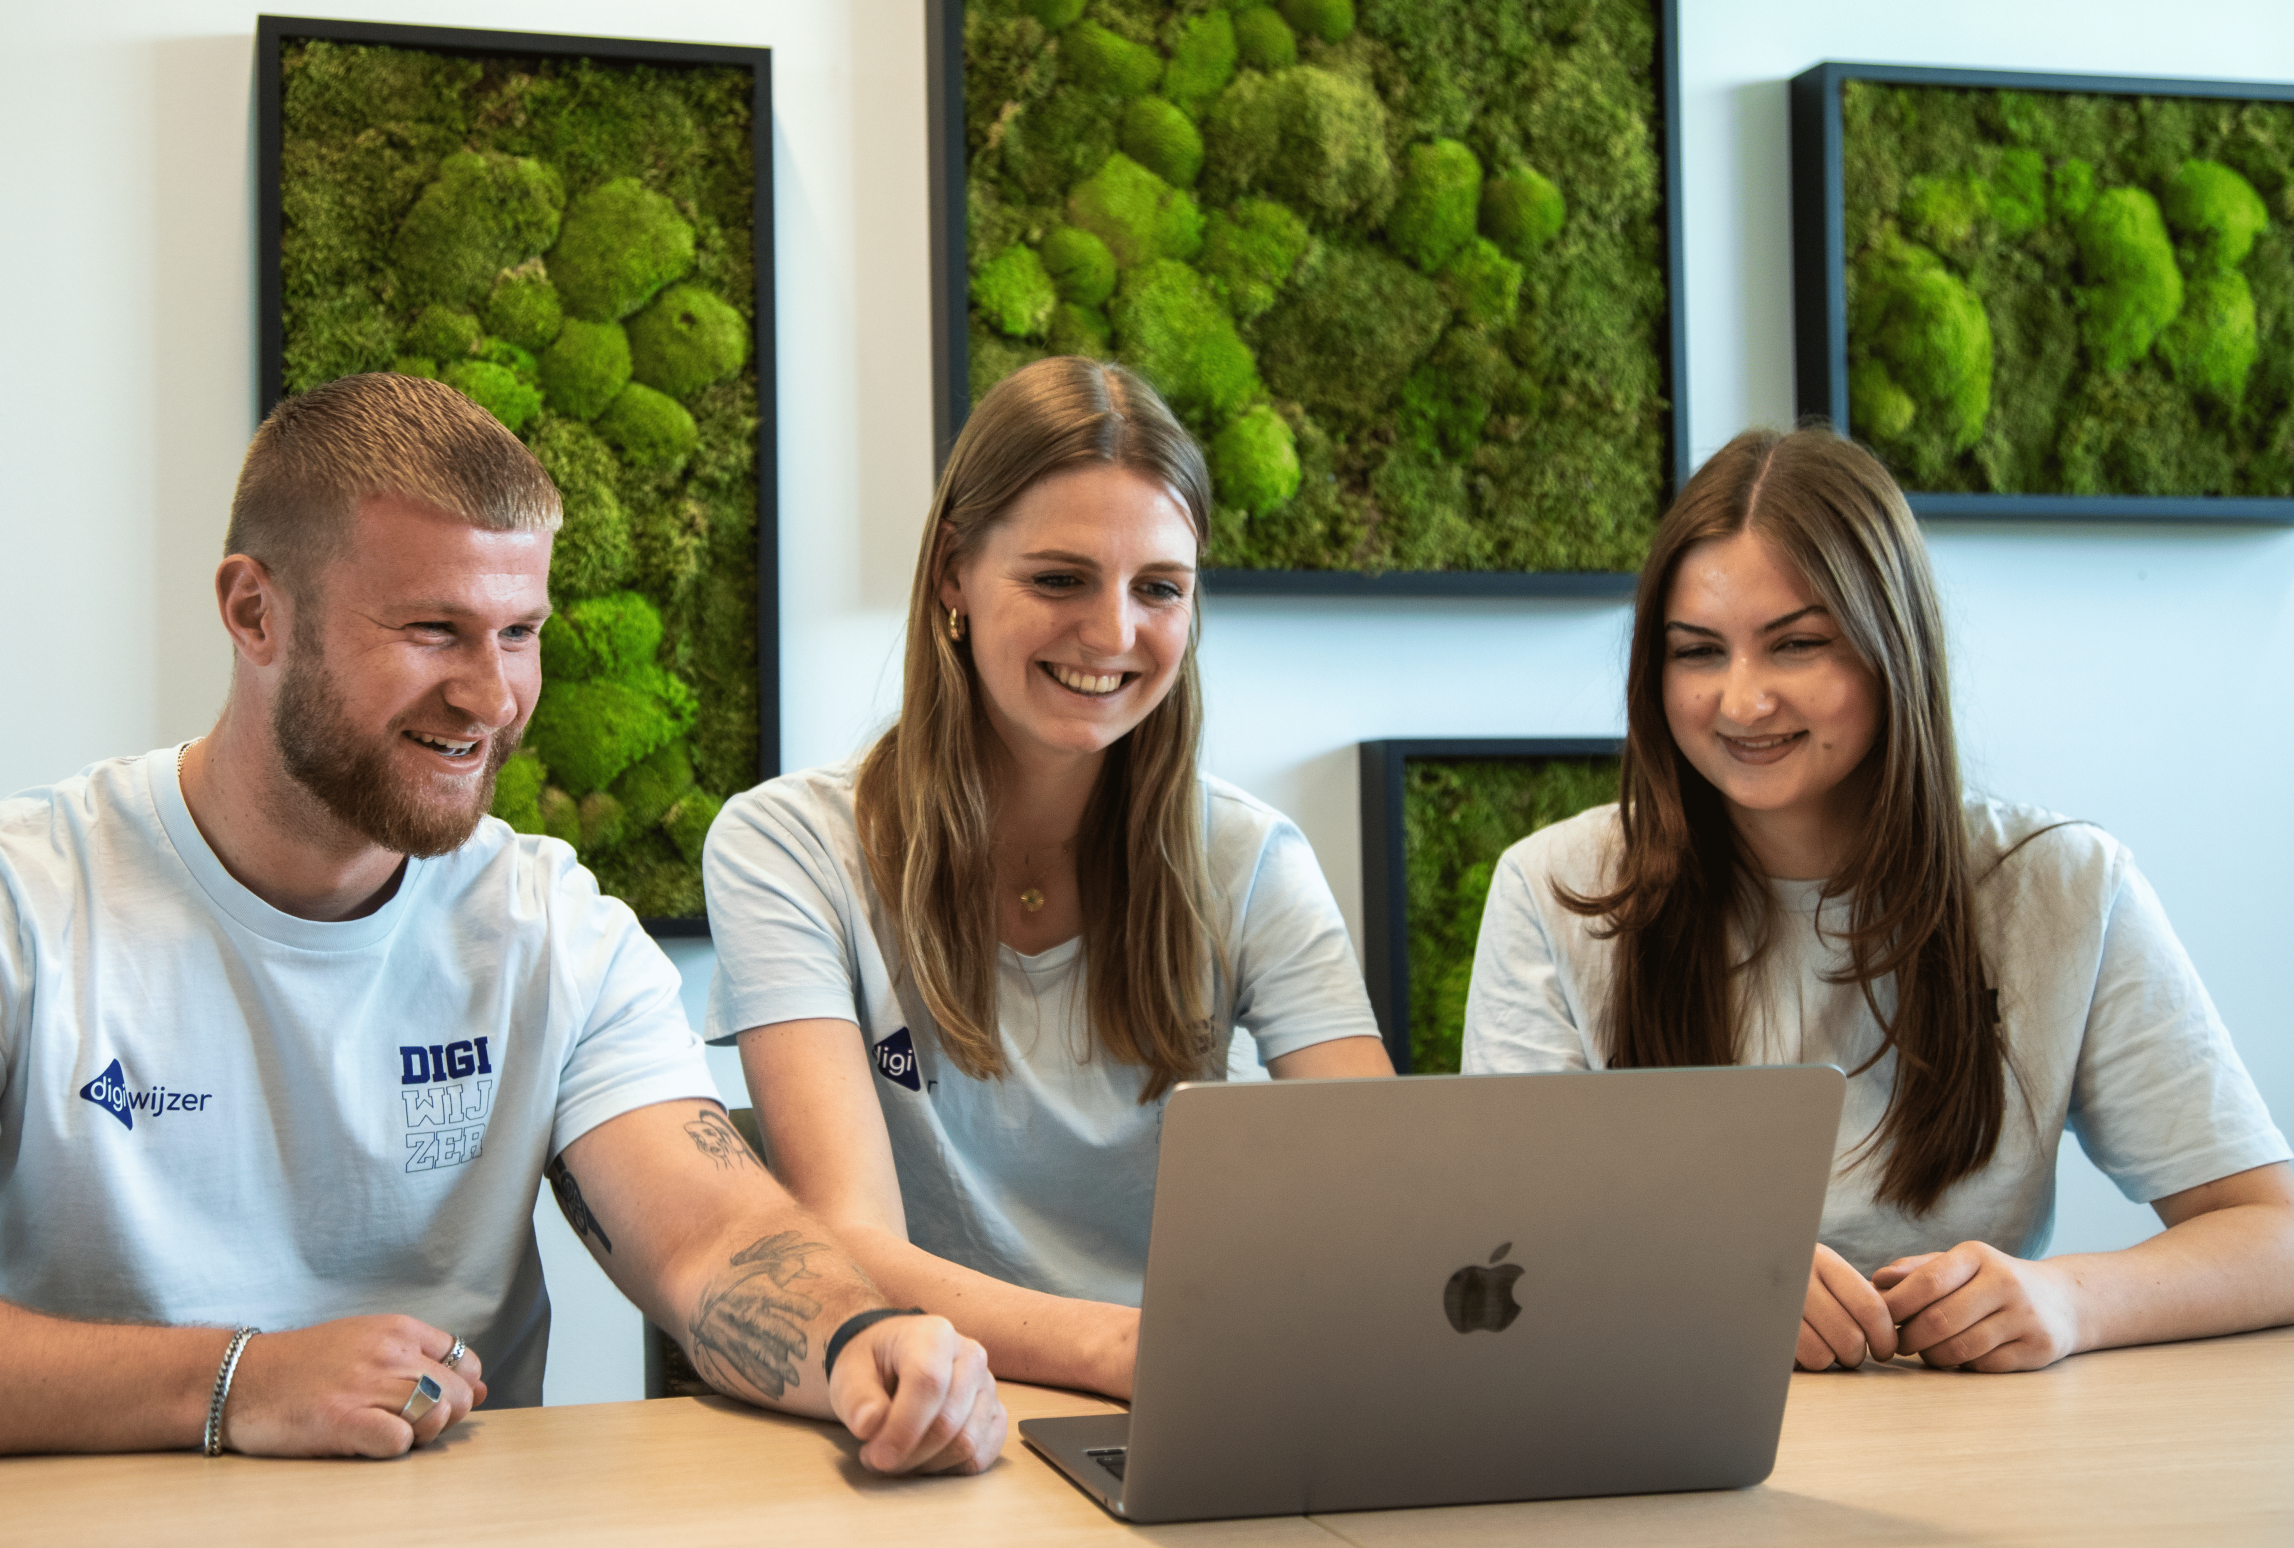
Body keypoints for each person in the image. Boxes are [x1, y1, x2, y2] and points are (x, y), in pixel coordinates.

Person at [0, 374, 1004, 1470]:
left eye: (519, 633)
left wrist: (855, 1342)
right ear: (253, 611)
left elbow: (714, 1236)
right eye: (431, 630)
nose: (493, 696)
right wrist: (233, 1386)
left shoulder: (553, 926)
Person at [1464, 427, 2294, 1374]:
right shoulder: (1552, 887)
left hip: (1972, 1450)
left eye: (1798, 644)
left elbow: (2271, 1235)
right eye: (1698, 652)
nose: (1742, 702)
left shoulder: (2065, 886)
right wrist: (1705, 1279)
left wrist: (2069, 1298)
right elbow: (1500, 1259)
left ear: (1891, 645)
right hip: (1663, 1431)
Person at [701, 357, 1392, 1402]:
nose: (1113, 634)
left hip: (1194, 1407)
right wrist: (1127, 1351)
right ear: (951, 578)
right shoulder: (785, 847)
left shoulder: (1250, 858)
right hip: (933, 1406)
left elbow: (1387, 1191)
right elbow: (846, 1245)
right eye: (1059, 579)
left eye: (1159, 588)